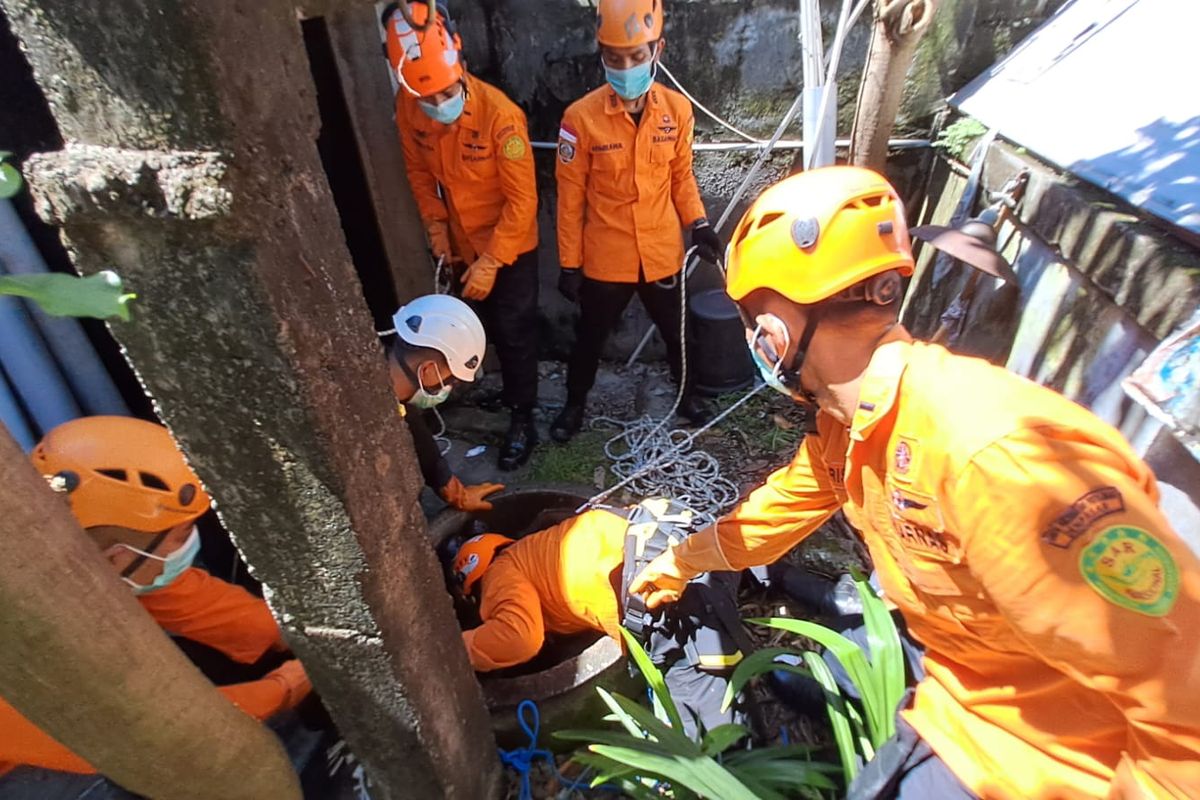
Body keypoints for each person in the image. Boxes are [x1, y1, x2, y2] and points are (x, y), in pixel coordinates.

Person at [629, 166, 1200, 798]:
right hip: (959, 689)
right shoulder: (851, 424)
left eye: (750, 318)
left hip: (1038, 765)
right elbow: (783, 508)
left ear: (774, 334)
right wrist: (684, 560)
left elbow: (1185, 712)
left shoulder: (996, 458)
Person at [0, 416, 311, 786]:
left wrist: (305, 637)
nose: (189, 544)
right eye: (180, 535)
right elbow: (135, 734)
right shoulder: (22, 650)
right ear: (118, 556)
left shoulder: (80, 561)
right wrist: (284, 687)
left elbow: (189, 601)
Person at [551, 0, 721, 442]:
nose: (625, 67)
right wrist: (569, 264)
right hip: (607, 256)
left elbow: (681, 176)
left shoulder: (678, 111)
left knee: (676, 330)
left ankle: (689, 395)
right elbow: (569, 200)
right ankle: (573, 404)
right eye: (614, 58)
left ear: (657, 49)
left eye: (636, 57)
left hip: (662, 249)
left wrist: (699, 224)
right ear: (601, 54)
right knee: (590, 337)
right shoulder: (580, 118)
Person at [385, 2, 540, 470]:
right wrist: (437, 231)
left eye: (445, 95)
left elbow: (522, 203)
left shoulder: (501, 117)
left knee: (515, 333)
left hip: (509, 246)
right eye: (427, 99)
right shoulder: (410, 107)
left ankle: (523, 417)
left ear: (462, 67)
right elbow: (417, 175)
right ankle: (488, 391)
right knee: (468, 329)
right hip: (459, 242)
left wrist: (491, 263)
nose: (437, 107)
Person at [450, 498, 750, 739]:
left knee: (703, 723)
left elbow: (519, 639)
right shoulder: (535, 547)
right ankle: (774, 578)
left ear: (474, 578)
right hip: (671, 535)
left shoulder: (499, 574)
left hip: (651, 590)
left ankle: (732, 759)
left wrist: (453, 649)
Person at [385, 294, 503, 512]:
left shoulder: (392, 394)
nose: (450, 386)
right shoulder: (373, 416)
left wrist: (456, 493)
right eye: (452, 379)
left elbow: (417, 434)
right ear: (428, 370)